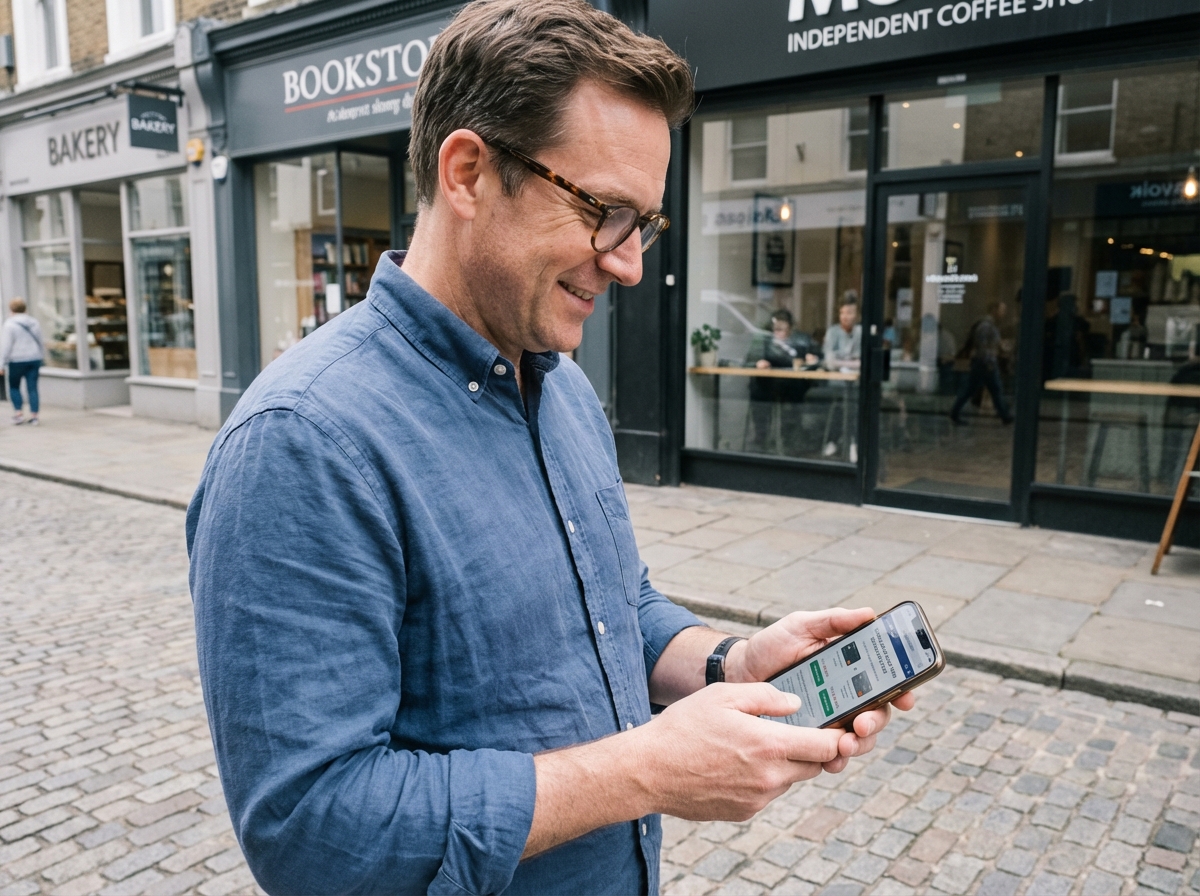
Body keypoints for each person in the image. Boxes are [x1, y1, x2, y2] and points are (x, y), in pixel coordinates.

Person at [187, 3, 912, 894]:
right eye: (606, 211)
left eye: (644, 223)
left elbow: (613, 605)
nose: (629, 263)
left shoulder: (559, 383)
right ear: (467, 173)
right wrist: (644, 772)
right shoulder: (301, 444)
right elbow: (313, 832)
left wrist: (731, 661)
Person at [744, 308, 819, 453]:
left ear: (790, 328)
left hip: (792, 384)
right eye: (777, 329)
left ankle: (789, 436)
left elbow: (816, 357)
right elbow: (750, 358)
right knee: (756, 387)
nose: (780, 333)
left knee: (796, 389)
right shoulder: (764, 340)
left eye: (784, 329)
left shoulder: (800, 341)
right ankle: (761, 434)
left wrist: (812, 359)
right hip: (767, 384)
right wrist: (758, 362)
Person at [950, 304, 1013, 425]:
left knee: (978, 389)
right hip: (985, 363)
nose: (1003, 313)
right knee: (994, 388)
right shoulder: (986, 326)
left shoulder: (989, 325)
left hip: (983, 362)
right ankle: (1005, 415)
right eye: (1002, 310)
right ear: (994, 310)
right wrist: (989, 362)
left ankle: (1004, 414)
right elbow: (983, 347)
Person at [820, 296, 862, 459]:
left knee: (856, 406)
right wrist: (852, 360)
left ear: (857, 315)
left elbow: (864, 362)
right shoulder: (833, 332)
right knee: (840, 406)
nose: (845, 316)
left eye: (849, 312)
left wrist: (841, 360)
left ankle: (854, 443)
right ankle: (833, 441)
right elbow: (829, 362)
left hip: (857, 383)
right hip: (836, 383)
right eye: (842, 312)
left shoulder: (861, 332)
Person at [0, 298, 44, 426]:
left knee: (14, 386)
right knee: (33, 388)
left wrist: (1, 364)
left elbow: (6, 346)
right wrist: (41, 356)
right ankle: (34, 416)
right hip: (34, 358)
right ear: (25, 309)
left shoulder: (9, 324)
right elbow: (40, 341)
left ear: (11, 310)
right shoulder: (34, 322)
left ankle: (18, 414)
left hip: (17, 360)